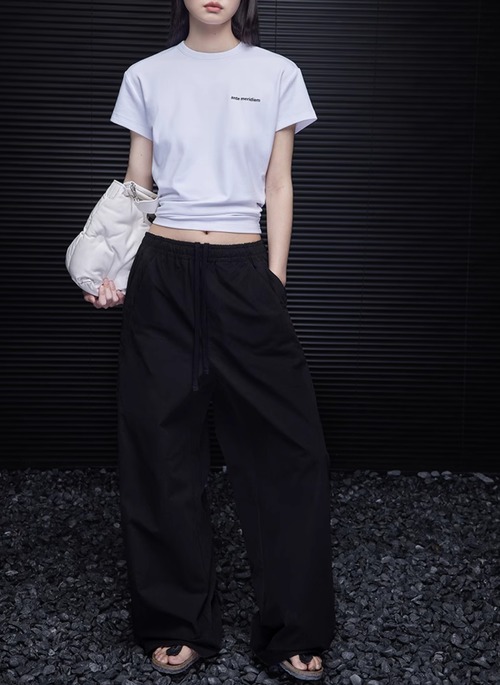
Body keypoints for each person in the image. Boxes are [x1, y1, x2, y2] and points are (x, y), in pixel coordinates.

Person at [83, 0, 336, 680]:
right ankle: (177, 620)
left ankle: (293, 628)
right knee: (159, 449)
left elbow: (278, 183)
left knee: (289, 451)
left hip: (243, 270)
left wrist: (273, 280)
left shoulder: (277, 72)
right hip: (162, 271)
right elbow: (138, 185)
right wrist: (111, 271)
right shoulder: (147, 74)